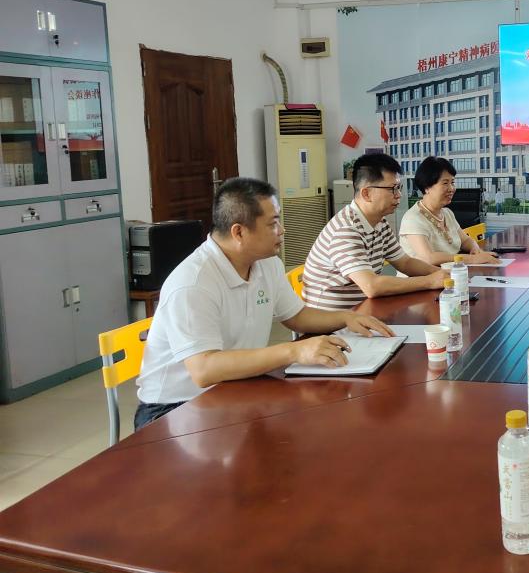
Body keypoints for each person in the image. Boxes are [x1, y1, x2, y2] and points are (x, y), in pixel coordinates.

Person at [134, 177, 394, 430]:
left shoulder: (266, 263)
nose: (282, 230)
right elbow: (204, 369)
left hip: (235, 386)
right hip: (175, 408)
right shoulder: (193, 282)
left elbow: (297, 316)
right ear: (239, 232)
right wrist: (294, 351)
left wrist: (346, 318)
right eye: (273, 223)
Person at [303, 153, 447, 310]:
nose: (398, 195)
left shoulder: (380, 223)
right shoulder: (346, 230)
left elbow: (405, 263)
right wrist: (430, 281)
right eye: (392, 189)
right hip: (333, 320)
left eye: (399, 187)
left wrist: (443, 274)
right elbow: (372, 286)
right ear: (366, 193)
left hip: (363, 310)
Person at [400, 156, 499, 266]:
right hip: (424, 276)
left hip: (451, 273)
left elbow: (465, 241)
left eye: (452, 182)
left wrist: (475, 249)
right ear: (427, 187)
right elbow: (428, 258)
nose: (452, 188)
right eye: (445, 183)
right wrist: (472, 259)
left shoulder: (447, 213)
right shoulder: (413, 218)